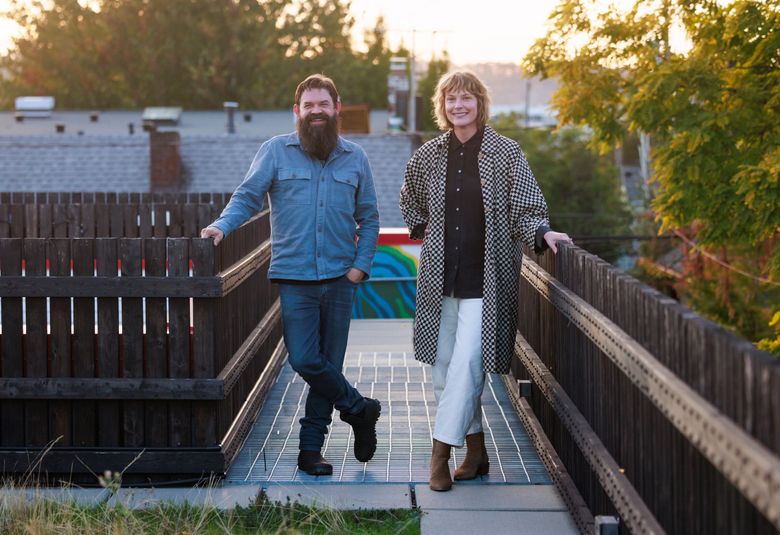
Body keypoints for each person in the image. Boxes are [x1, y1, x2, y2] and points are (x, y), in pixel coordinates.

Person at [201, 74, 381, 476]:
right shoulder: (275, 152)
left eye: (323, 104)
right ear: (297, 111)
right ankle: (359, 409)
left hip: (340, 280)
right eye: (309, 105)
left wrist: (359, 268)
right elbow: (247, 197)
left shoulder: (356, 158)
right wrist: (221, 226)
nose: (316, 111)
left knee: (328, 364)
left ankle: (310, 450)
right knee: (305, 359)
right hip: (294, 277)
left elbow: (369, 218)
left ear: (337, 107)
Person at [399, 71, 571, 492]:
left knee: (467, 365)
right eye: (451, 99)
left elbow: (528, 204)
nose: (459, 106)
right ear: (442, 106)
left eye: (467, 99)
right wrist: (425, 225)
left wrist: (542, 232)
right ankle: (476, 452)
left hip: (487, 281)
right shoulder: (427, 156)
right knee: (443, 371)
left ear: (480, 103)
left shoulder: (506, 152)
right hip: (440, 280)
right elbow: (409, 198)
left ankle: (439, 456)